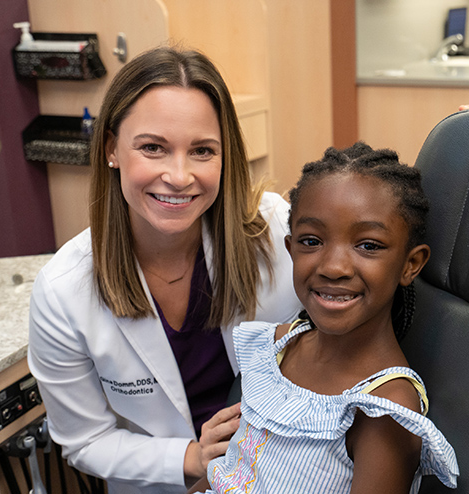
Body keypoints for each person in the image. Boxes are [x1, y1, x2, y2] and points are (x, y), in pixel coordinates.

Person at [28, 46, 301, 494]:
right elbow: (84, 441)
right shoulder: (63, 292)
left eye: (201, 150)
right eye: (153, 147)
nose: (179, 176)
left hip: (282, 471)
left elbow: (370, 253)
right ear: (112, 148)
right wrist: (192, 457)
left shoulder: (274, 232)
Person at [189, 142, 459, 494]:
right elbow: (223, 475)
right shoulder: (276, 348)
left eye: (368, 245)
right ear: (290, 250)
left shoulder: (384, 409)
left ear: (411, 264)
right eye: (311, 241)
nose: (333, 267)